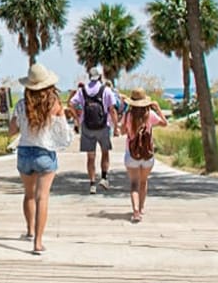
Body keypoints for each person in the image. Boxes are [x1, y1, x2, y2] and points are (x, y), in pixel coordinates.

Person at [9, 63, 73, 255]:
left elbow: (12, 130)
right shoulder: (54, 105)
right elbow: (65, 134)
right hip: (44, 154)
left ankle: (29, 230)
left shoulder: (21, 105)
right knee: (42, 197)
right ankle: (37, 242)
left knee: (29, 194)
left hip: (25, 153)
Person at [69, 67, 120, 194]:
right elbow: (112, 109)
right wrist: (116, 126)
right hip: (103, 126)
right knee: (105, 152)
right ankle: (103, 177)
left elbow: (71, 103)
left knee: (90, 157)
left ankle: (92, 183)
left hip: (87, 126)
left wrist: (77, 117)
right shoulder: (106, 90)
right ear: (100, 77)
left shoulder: (82, 91)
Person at [122, 88, 167, 223]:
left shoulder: (128, 116)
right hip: (147, 155)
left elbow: (121, 130)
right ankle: (141, 208)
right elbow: (165, 123)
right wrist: (158, 109)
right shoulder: (150, 115)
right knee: (143, 181)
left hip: (131, 154)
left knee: (134, 183)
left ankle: (135, 211)